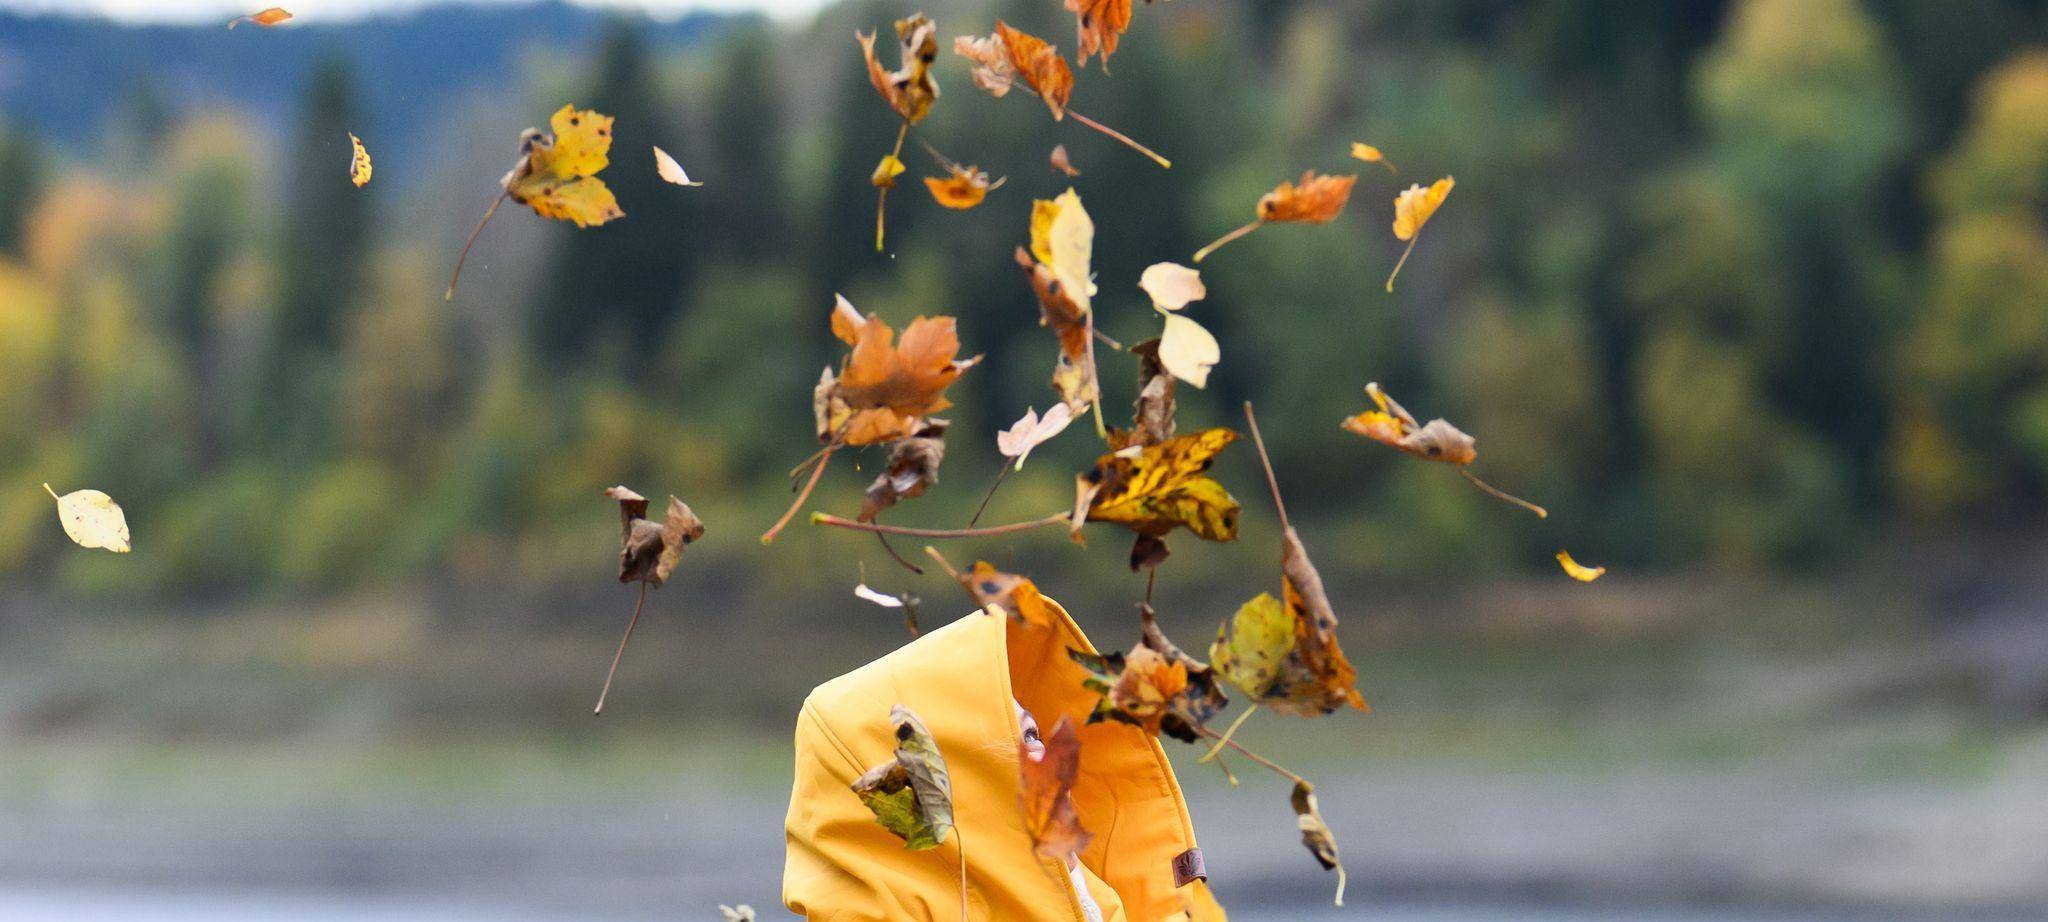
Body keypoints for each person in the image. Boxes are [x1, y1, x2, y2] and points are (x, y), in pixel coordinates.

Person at [783, 596, 1227, 920]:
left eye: (1033, 731)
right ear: (949, 783)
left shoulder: (1112, 908)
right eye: (1014, 737)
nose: (1052, 755)